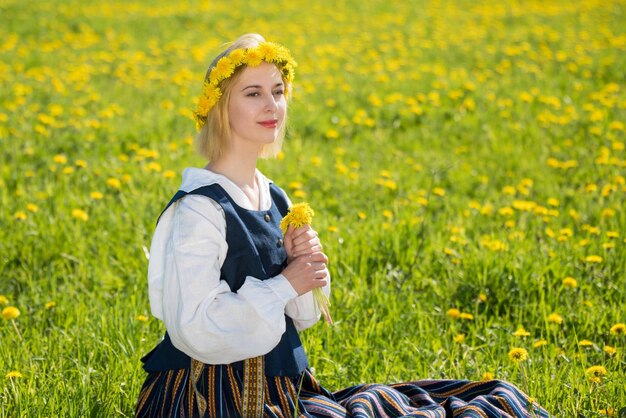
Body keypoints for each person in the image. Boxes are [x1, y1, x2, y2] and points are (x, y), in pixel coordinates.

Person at [135, 33, 552, 418]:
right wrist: (286, 283)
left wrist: (305, 268)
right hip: (213, 397)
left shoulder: (275, 196)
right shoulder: (200, 209)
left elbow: (300, 317)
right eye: (253, 93)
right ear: (220, 106)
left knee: (457, 402)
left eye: (278, 92)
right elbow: (194, 327)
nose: (271, 106)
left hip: (283, 389)